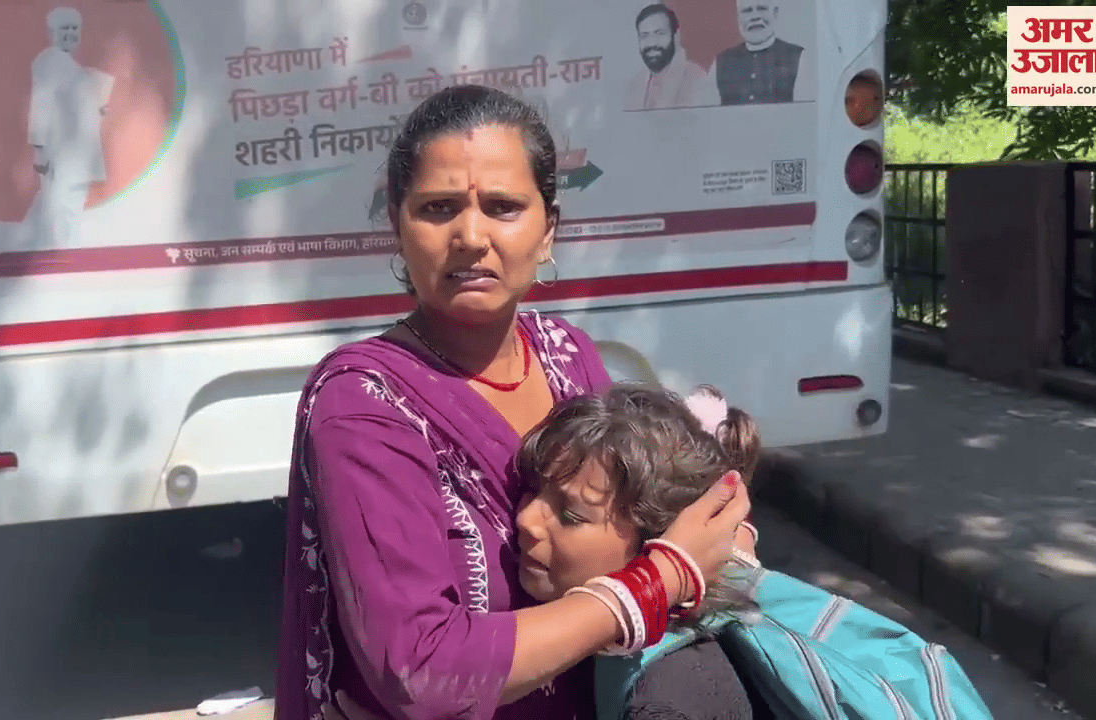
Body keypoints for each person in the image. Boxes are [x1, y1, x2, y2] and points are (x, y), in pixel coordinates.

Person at [275, 85, 754, 720]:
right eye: (439, 208)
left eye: (503, 207)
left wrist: (722, 533)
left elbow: (652, 524)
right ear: (397, 223)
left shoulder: (569, 356)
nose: (470, 236)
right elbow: (419, 667)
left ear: (548, 229)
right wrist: (660, 580)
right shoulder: (366, 406)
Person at [515, 383, 769, 719]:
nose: (525, 519)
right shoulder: (618, 654)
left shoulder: (665, 704)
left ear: (660, 544)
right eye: (532, 491)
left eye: (571, 514)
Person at [26, 6, 113, 248]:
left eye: (75, 29)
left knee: (70, 201)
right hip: (61, 151)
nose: (71, 34)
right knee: (61, 203)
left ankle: (65, 244)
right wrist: (39, 148)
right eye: (65, 28)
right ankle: (60, 246)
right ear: (51, 32)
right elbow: (41, 104)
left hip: (78, 150)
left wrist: (98, 107)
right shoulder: (49, 61)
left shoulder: (70, 65)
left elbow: (78, 105)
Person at [708, 0, 815, 105]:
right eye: (747, 11)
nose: (755, 17)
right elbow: (708, 117)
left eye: (762, 9)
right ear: (738, 17)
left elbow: (804, 115)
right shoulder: (720, 63)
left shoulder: (798, 57)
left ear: (775, 12)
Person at [625, 4, 713, 110]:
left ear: (676, 36)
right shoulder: (635, 84)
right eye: (644, 35)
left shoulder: (695, 78)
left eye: (660, 34)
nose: (652, 43)